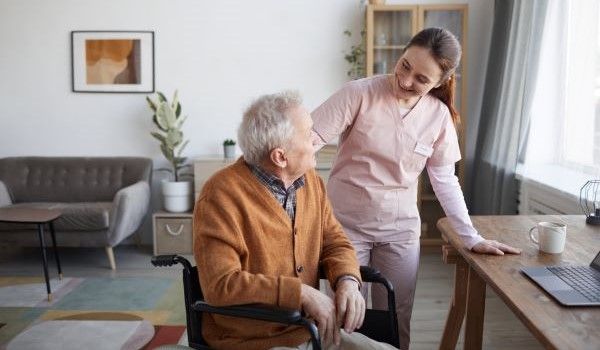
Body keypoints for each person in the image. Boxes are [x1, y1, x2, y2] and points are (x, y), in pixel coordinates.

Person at [311, 27, 521, 350]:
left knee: (395, 319)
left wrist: (471, 237)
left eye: (422, 79)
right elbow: (307, 140)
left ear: (440, 82)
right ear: (403, 53)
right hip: (345, 229)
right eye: (405, 65)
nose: (406, 80)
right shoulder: (359, 94)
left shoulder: (438, 117)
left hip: (399, 232)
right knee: (343, 317)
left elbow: (445, 180)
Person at [193, 91, 397, 350]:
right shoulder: (220, 196)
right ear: (280, 156)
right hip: (251, 340)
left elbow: (335, 242)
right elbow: (220, 285)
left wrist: (347, 279)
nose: (317, 138)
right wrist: (299, 293)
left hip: (311, 331)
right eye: (308, 133)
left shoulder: (311, 181)